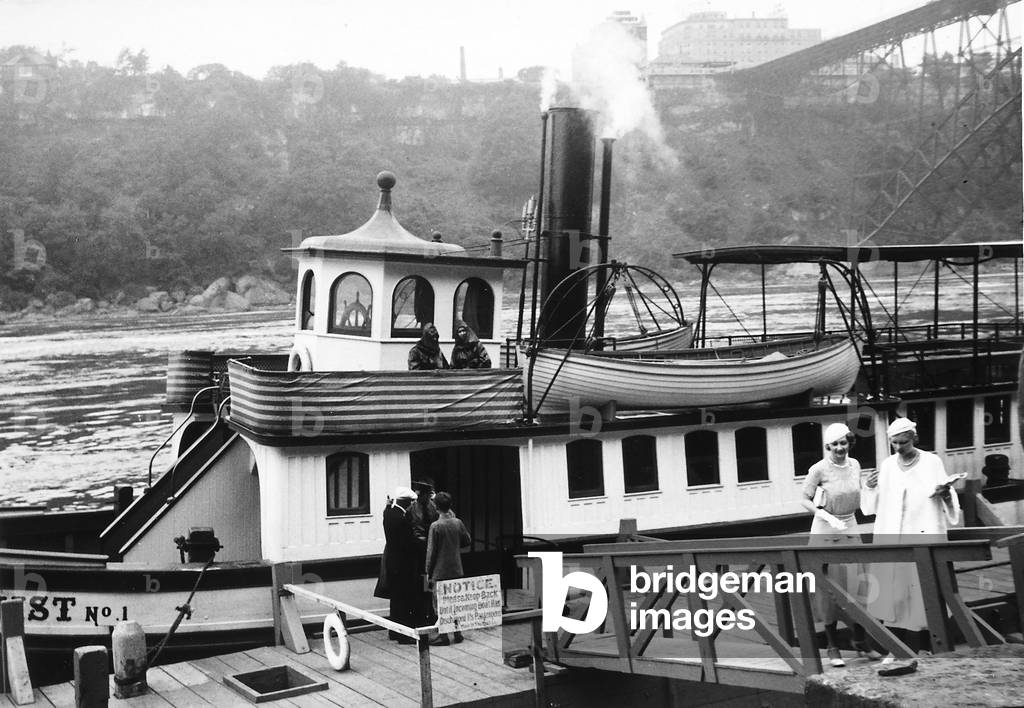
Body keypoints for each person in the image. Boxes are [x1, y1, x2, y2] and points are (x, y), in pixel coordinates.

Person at [862, 417, 961, 662]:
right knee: (894, 594)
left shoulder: (931, 462)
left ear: (914, 439)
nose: (898, 448)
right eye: (894, 443)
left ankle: (925, 648)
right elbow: (871, 507)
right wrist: (870, 487)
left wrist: (945, 493)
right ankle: (895, 650)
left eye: (903, 443)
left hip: (922, 536)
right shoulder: (887, 466)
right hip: (893, 539)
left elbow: (948, 500)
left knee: (921, 593)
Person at [799, 422, 877, 667]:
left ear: (849, 443)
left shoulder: (855, 465)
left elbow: (855, 494)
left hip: (850, 525)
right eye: (835, 445)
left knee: (858, 583)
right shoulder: (818, 469)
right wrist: (825, 516)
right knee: (828, 587)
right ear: (827, 446)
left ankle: (860, 640)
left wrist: (869, 487)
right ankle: (833, 645)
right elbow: (804, 499)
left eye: (844, 443)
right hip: (825, 527)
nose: (840, 448)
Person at [425, 492, 472, 645]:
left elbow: (431, 553)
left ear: (435, 506)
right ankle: (458, 633)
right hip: (457, 569)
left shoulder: (435, 526)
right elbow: (467, 541)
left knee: (440, 604)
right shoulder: (457, 522)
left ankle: (443, 636)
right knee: (456, 602)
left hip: (440, 571)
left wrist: (428, 571)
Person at [373, 487, 419, 643]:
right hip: (403, 564)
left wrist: (388, 504)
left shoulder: (389, 514)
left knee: (396, 599)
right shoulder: (402, 519)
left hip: (392, 563)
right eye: (412, 502)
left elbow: (385, 511)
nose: (413, 505)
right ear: (407, 502)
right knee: (405, 600)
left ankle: (393, 632)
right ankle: (404, 636)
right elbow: (408, 543)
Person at [409, 477, 440, 624]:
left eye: (426, 495)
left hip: (431, 549)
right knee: (421, 581)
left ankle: (431, 611)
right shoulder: (412, 508)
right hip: (419, 550)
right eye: (421, 494)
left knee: (430, 581)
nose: (423, 497)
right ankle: (423, 612)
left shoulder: (433, 507)